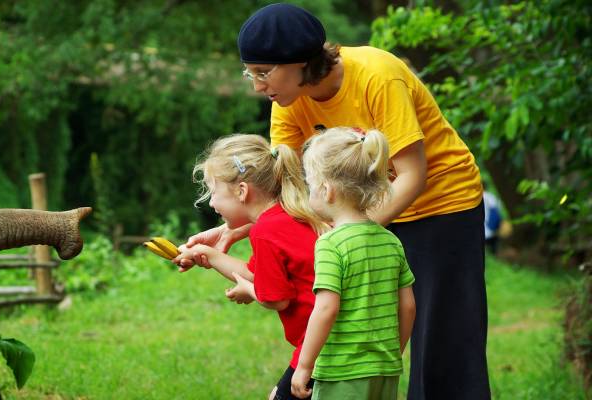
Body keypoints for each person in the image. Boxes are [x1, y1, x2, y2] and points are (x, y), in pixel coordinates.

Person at [184, 3, 490, 399]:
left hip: (441, 205)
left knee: (442, 341)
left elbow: (413, 174)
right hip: (362, 211)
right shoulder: (286, 103)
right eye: (251, 73)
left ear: (300, 62)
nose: (258, 87)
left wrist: (348, 231)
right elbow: (285, 191)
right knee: (345, 322)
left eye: (263, 73)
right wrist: (233, 229)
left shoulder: (377, 75)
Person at [173, 133, 324, 400]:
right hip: (326, 335)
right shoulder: (285, 216)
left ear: (242, 191)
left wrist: (249, 290)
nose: (211, 202)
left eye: (214, 192)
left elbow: (277, 299)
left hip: (320, 343)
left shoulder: (265, 230)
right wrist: (206, 253)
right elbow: (260, 275)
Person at [289, 127, 416, 399]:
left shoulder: (330, 244)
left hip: (342, 372)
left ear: (326, 190)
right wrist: (394, 352)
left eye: (310, 185)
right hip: (385, 370)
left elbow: (326, 309)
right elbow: (407, 306)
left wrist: (304, 365)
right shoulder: (391, 241)